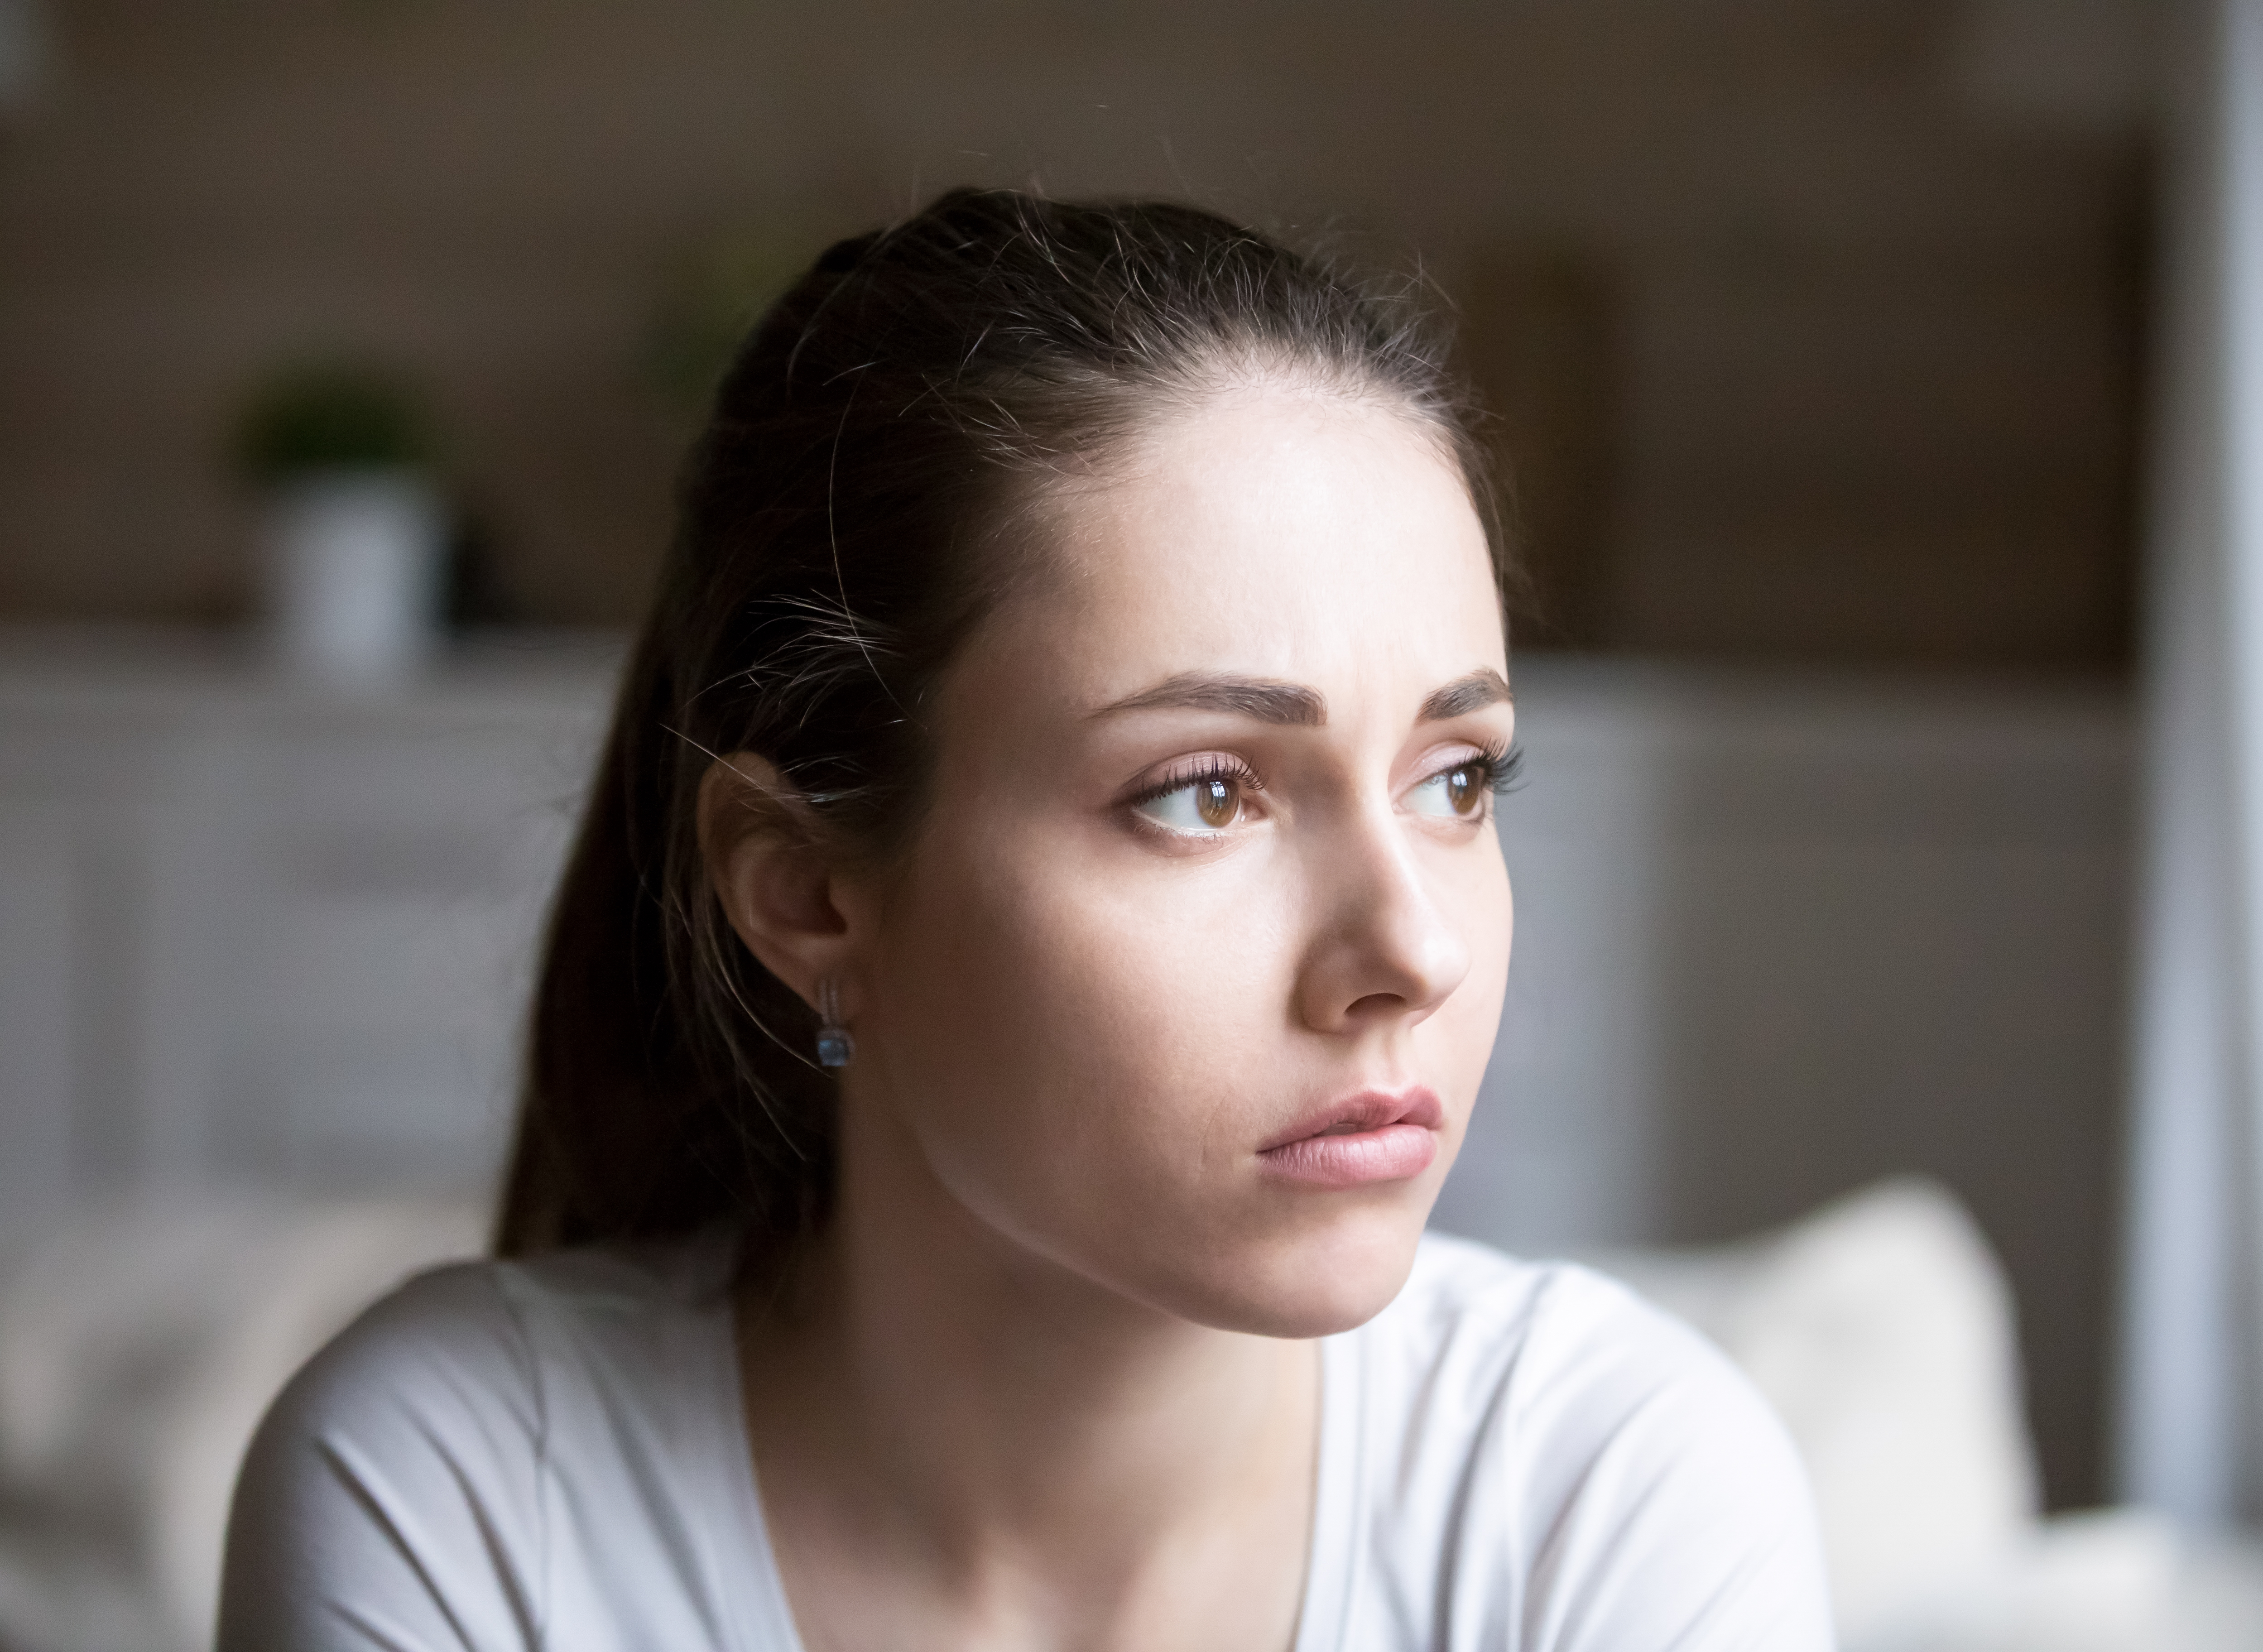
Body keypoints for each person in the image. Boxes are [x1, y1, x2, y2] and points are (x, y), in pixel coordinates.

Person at [217, 189, 1831, 1652]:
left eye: (1458, 779)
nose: (1415, 952)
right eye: (1207, 791)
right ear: (810, 891)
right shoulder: (457, 1501)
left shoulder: (1609, 1503)